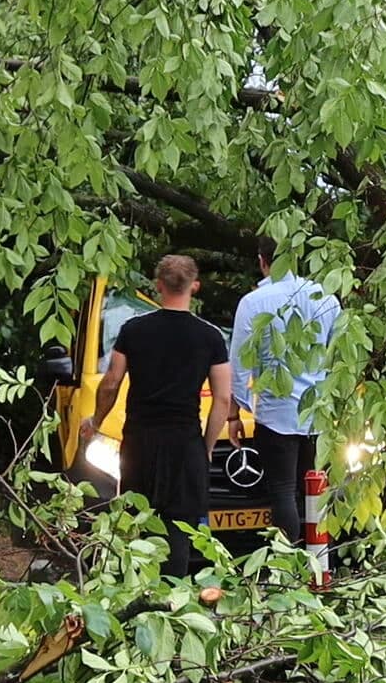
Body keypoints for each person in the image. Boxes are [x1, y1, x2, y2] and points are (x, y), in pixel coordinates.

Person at [81, 255, 233, 577]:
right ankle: (174, 601)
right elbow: (222, 398)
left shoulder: (133, 330)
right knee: (179, 530)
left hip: (140, 442)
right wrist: (205, 446)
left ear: (158, 285)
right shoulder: (210, 338)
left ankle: (138, 593)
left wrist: (95, 421)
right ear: (195, 286)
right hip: (184, 442)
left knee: (138, 523)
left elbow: (110, 383)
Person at [226, 237, 341, 544]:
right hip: (319, 411)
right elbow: (339, 357)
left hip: (276, 411)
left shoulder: (252, 303)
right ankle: (320, 561)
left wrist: (235, 411)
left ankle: (289, 565)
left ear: (263, 261)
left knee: (282, 490)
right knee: (316, 489)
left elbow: (239, 362)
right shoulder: (327, 298)